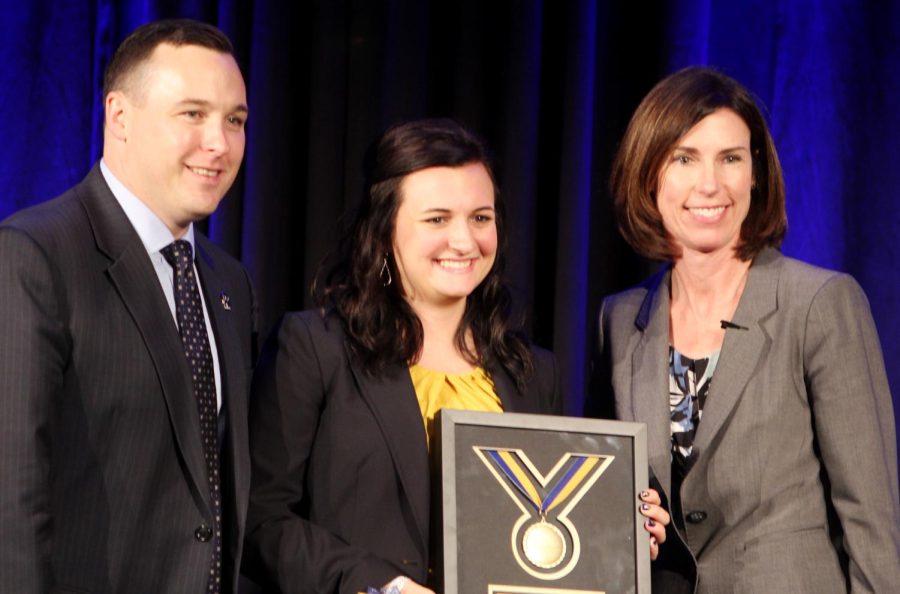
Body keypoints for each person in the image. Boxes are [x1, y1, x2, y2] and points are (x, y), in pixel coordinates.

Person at [243, 119, 668, 594]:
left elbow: (544, 535)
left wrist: (620, 532)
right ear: (384, 230)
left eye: (481, 218)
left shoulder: (531, 372)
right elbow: (262, 520)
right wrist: (384, 586)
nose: (464, 241)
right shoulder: (313, 347)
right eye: (437, 219)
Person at [588, 66, 900, 593]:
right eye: (684, 158)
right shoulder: (620, 319)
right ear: (649, 173)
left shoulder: (819, 303)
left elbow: (871, 519)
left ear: (755, 173)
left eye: (730, 158)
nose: (709, 184)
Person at [0, 19, 256, 593]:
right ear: (119, 116)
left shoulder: (229, 283)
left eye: (235, 120)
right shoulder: (35, 255)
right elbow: (10, 500)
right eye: (192, 114)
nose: (219, 143)